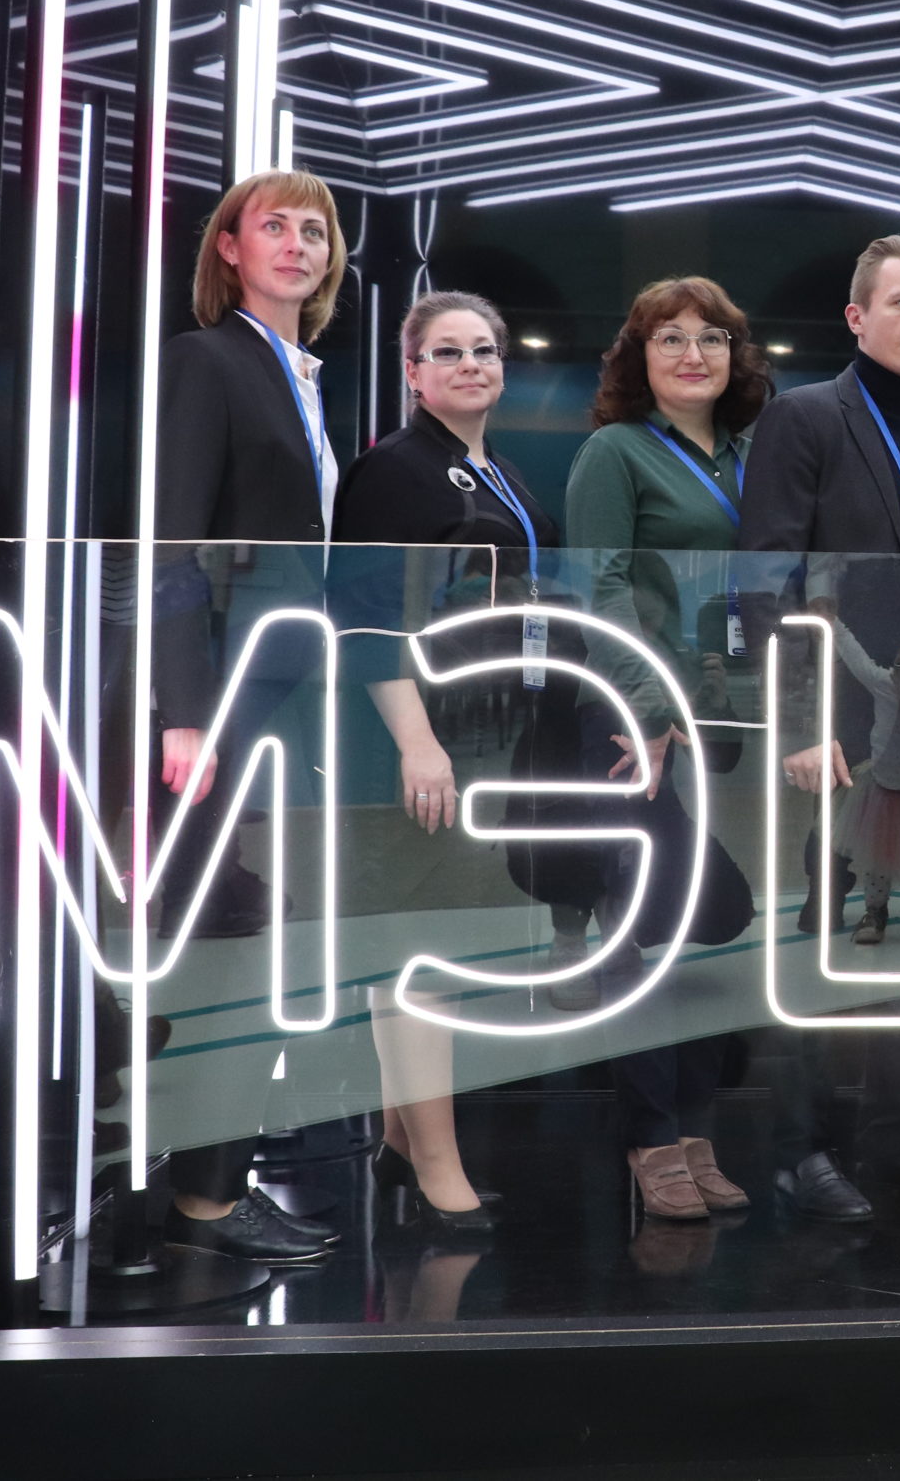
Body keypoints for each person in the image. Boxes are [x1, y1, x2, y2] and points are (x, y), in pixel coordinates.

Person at [737, 233, 900, 1221]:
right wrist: (801, 722)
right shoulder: (805, 416)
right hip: (838, 726)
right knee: (824, 930)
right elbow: (765, 577)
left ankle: (897, 1133)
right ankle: (800, 1151)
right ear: (857, 316)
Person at [329, 290, 562, 1238]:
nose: (472, 364)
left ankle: (400, 1137)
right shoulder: (394, 469)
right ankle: (438, 1166)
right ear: (412, 371)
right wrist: (416, 742)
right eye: (449, 351)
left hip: (487, 732)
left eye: (486, 350)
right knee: (422, 952)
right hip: (422, 738)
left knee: (431, 947)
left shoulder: (495, 471)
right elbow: (364, 617)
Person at [149, 169, 349, 1262]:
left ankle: (216, 1184)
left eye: (315, 230)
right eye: (275, 225)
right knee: (227, 945)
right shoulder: (208, 359)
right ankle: (204, 1202)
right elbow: (170, 542)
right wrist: (184, 708)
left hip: (284, 690)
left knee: (262, 938)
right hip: (223, 697)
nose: (298, 244)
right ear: (228, 247)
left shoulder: (300, 374)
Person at [561, 276, 767, 1222]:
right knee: (651, 923)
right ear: (637, 357)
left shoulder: (750, 455)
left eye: (712, 337)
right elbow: (598, 586)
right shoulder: (614, 451)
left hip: (710, 716)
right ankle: (653, 1138)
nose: (693, 353)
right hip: (627, 716)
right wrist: (642, 704)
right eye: (670, 337)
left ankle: (694, 1129)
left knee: (704, 914)